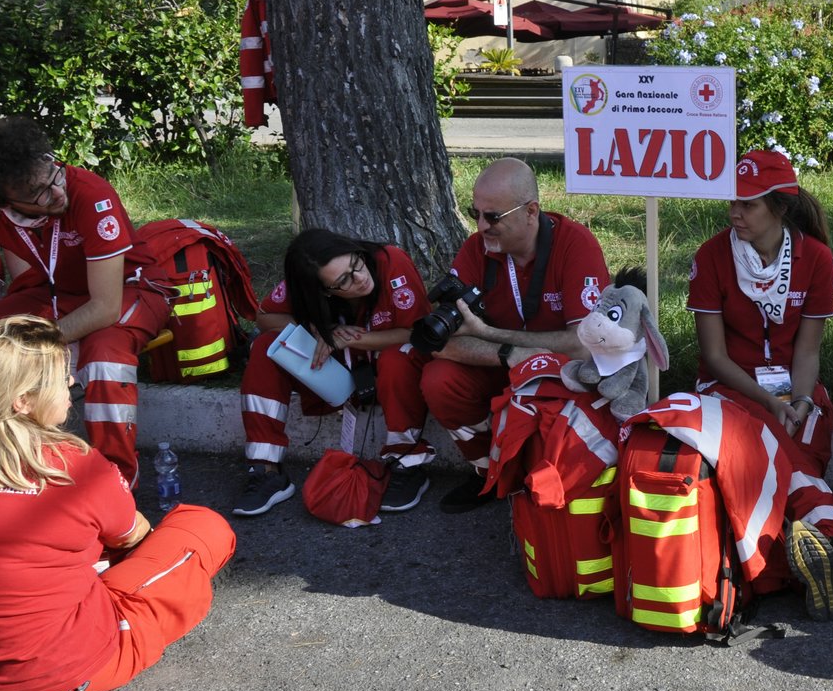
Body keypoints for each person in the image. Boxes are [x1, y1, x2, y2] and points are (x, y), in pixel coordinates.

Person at [0, 316, 236, 691]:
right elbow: (133, 538)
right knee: (201, 526)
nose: (71, 384)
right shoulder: (74, 465)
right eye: (61, 378)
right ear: (22, 400)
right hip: (64, 670)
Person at [686, 150, 833, 621]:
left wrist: (796, 401)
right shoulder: (712, 255)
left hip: (796, 389)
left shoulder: (816, 258)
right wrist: (769, 403)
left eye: (748, 204)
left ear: (781, 208)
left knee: (802, 440)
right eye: (732, 201)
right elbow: (715, 357)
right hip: (729, 388)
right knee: (771, 443)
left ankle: (799, 560)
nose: (735, 213)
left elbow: (807, 352)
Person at [0, 117, 170, 486]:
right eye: (39, 194)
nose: (57, 192)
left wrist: (33, 347)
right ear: (2, 201)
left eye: (54, 174)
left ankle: (118, 477)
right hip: (53, 289)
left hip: (131, 288)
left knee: (106, 355)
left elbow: (105, 307)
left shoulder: (90, 193)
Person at [420, 157, 611, 512]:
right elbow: (440, 342)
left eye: (492, 217)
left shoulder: (576, 245)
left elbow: (586, 344)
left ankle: (545, 476)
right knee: (439, 380)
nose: (480, 227)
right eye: (474, 212)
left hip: (561, 377)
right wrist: (507, 353)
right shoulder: (477, 249)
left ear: (531, 211)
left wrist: (490, 334)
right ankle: (486, 473)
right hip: (503, 367)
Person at [231, 228, 436, 516]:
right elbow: (264, 317)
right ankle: (266, 470)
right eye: (344, 281)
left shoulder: (390, 261)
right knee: (267, 346)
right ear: (323, 290)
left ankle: (408, 462)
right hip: (335, 372)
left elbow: (417, 334)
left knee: (396, 360)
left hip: (389, 370)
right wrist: (317, 328)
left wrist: (350, 338)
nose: (360, 278)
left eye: (356, 264)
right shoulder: (306, 285)